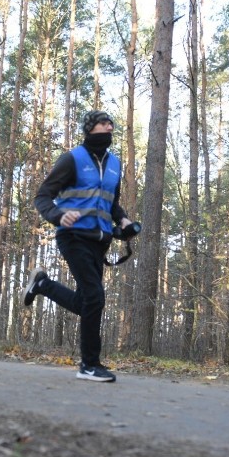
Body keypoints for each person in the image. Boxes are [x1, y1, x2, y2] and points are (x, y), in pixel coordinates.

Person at [22, 110, 133, 383]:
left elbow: (111, 202)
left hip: (100, 241)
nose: (110, 126)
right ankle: (89, 365)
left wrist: (124, 220)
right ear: (90, 128)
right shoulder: (72, 159)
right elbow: (43, 196)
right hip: (73, 236)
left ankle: (43, 285)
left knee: (88, 303)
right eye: (104, 122)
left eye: (111, 123)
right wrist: (58, 215)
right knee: (95, 297)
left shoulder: (115, 164)